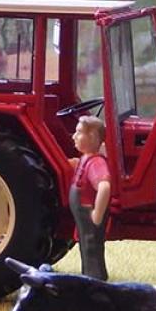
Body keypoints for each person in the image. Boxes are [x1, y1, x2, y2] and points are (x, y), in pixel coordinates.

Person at [69, 116, 112, 281]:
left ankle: (94, 278)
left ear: (93, 137)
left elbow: (104, 186)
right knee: (85, 245)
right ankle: (89, 275)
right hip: (82, 213)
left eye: (79, 132)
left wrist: (97, 214)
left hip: (88, 212)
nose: (74, 136)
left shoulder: (96, 163)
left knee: (91, 246)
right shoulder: (86, 158)